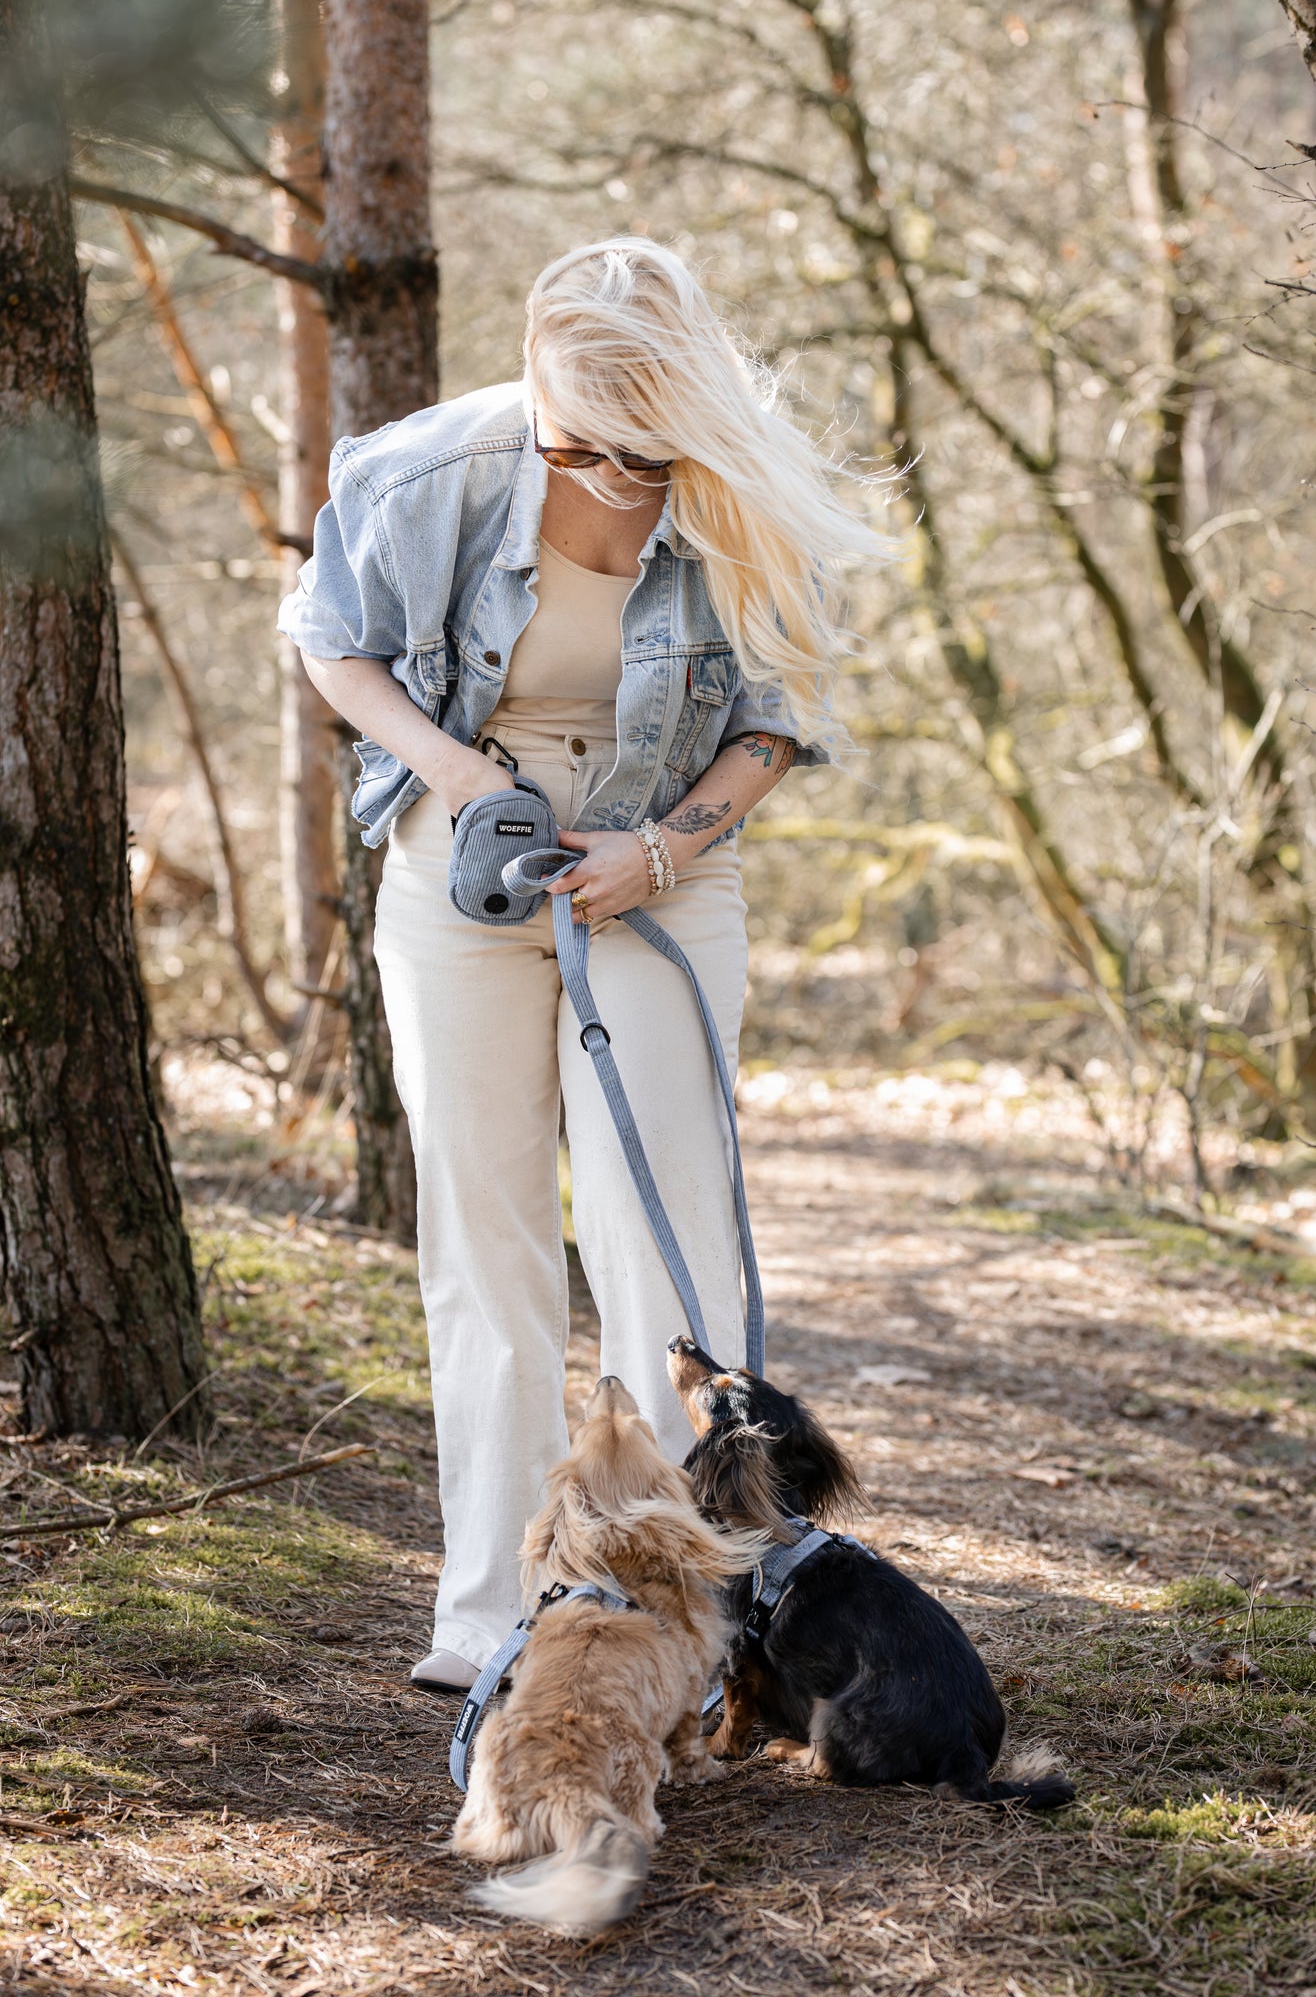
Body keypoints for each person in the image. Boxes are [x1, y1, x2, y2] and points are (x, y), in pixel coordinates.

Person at [278, 237, 881, 1692]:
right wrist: (455, 776)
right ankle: (491, 1610)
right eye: (577, 447)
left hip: (666, 857)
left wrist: (660, 851)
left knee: (668, 1238)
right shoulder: (427, 475)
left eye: (643, 455)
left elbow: (776, 721)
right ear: (533, 383)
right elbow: (334, 645)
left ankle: (692, 1617)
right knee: (483, 1241)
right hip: (464, 853)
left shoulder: (743, 489)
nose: (612, 481)